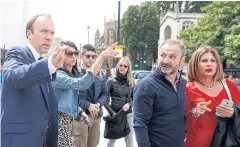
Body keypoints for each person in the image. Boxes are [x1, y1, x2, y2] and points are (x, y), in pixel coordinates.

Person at [1, 14, 66, 147]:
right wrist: (50, 65)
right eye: (43, 31)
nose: (49, 37)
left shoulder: (42, 63)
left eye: (52, 33)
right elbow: (14, 77)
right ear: (29, 34)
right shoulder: (17, 52)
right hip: (20, 141)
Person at [51, 41, 118, 147]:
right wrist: (101, 58)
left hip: (72, 122)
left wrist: (88, 112)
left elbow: (104, 94)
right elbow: (81, 84)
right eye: (69, 53)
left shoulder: (73, 74)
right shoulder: (58, 75)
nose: (73, 56)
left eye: (75, 53)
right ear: (60, 54)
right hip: (61, 126)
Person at [133, 39, 187, 147]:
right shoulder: (146, 85)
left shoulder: (183, 84)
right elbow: (140, 124)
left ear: (182, 60)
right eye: (163, 55)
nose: (165, 60)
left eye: (172, 57)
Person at [185, 46, 240, 147]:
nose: (209, 64)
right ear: (195, 64)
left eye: (213, 60)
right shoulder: (187, 88)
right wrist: (195, 112)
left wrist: (233, 113)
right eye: (204, 60)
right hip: (196, 143)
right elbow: (180, 120)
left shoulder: (229, 85)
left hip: (225, 142)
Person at [74, 44, 107, 147]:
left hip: (95, 115)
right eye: (88, 56)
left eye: (93, 56)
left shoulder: (100, 74)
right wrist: (88, 105)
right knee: (80, 144)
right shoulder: (75, 73)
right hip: (80, 115)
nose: (91, 59)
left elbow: (105, 94)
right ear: (81, 56)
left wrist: (97, 104)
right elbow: (72, 97)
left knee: (93, 144)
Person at [106, 56, 135, 147]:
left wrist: (129, 104)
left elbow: (135, 98)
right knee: (112, 140)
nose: (122, 68)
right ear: (118, 66)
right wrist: (112, 113)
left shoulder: (131, 81)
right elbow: (104, 99)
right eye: (121, 65)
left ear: (128, 68)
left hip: (128, 114)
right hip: (116, 114)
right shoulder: (111, 80)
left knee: (130, 140)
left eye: (125, 66)